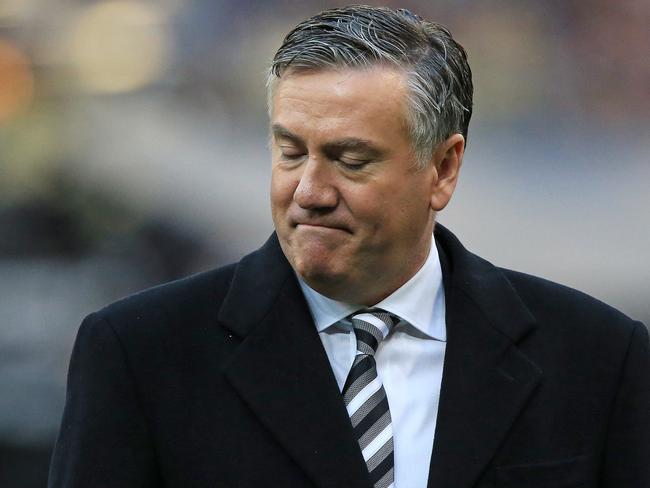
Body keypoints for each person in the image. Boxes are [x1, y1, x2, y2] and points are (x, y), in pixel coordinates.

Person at [48, 5, 649, 488]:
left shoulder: (597, 356)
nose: (309, 192)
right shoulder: (140, 353)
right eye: (290, 153)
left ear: (443, 169)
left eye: (350, 160)